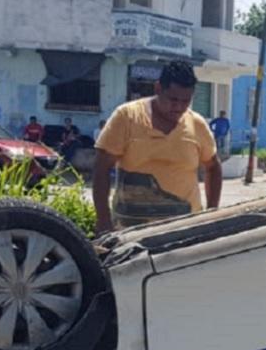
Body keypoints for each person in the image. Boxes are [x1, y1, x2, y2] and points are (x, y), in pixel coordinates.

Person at [93, 60, 222, 233]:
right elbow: (101, 167)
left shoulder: (196, 124)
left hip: (184, 229)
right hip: (130, 230)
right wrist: (103, 220)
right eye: (173, 99)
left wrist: (211, 214)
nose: (179, 107)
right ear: (158, 89)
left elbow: (213, 167)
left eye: (185, 101)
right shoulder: (127, 117)